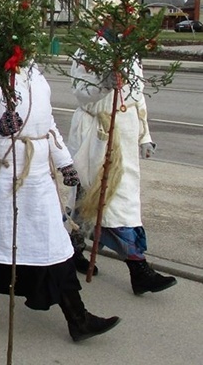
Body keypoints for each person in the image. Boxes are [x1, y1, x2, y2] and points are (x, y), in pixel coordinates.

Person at [0, 64, 121, 342]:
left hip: (38, 174)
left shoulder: (36, 75)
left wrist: (65, 162)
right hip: (1, 173)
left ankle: (78, 319)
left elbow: (48, 123)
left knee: (55, 244)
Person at [68, 35, 177, 295]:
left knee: (112, 201)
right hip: (97, 135)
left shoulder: (129, 51)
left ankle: (73, 249)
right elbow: (81, 92)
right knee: (106, 201)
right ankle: (138, 268)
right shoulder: (90, 49)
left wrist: (145, 136)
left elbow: (137, 97)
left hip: (124, 135)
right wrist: (104, 85)